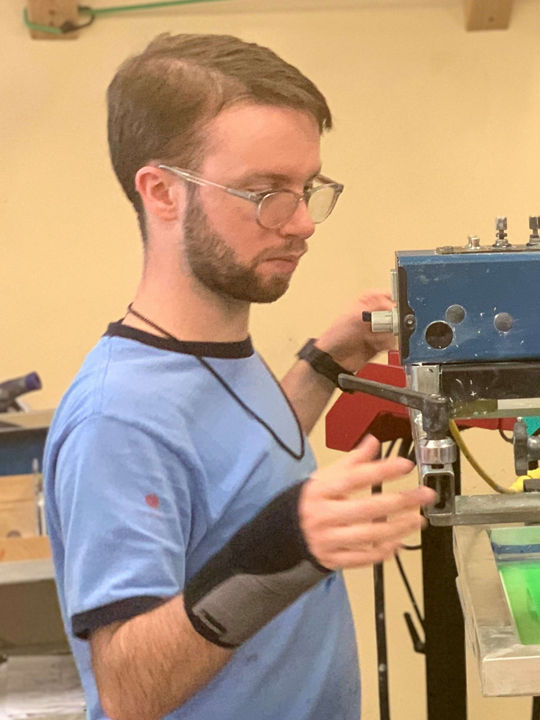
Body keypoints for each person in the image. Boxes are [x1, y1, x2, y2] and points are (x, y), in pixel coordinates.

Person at [41, 33, 434, 720]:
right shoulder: (118, 418)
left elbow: (235, 474)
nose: (303, 223)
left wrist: (327, 361)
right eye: (265, 193)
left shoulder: (213, 354)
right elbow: (128, 689)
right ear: (162, 192)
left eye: (307, 189)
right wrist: (285, 548)